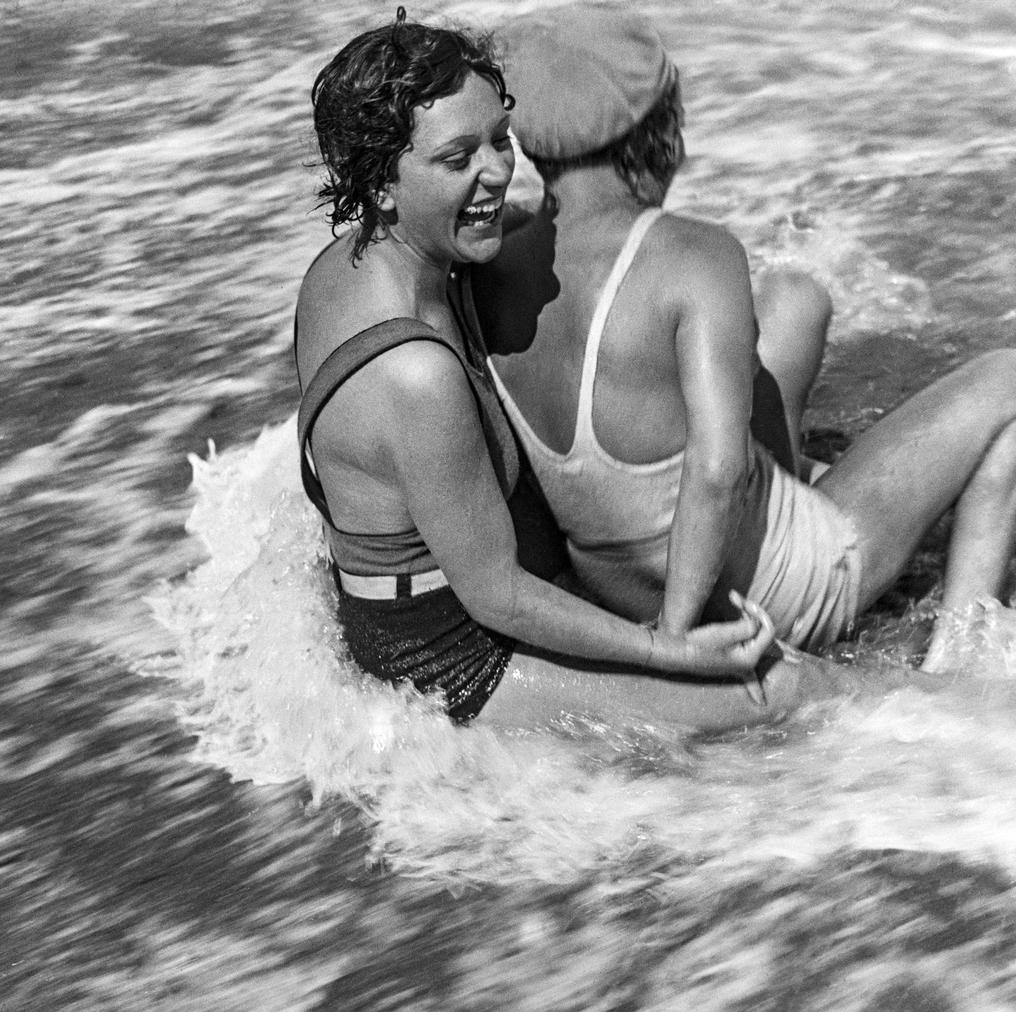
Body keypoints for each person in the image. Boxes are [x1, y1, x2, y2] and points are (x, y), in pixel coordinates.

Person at [293, 10, 854, 731]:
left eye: (501, 140)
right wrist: (665, 650)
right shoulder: (414, 376)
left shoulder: (341, 269)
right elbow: (497, 594)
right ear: (382, 186)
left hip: (393, 603)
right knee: (793, 690)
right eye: (457, 159)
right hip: (452, 663)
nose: (496, 172)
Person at [474, 3, 1016, 673]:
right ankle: (962, 662)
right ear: (658, 127)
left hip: (617, 583)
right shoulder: (696, 256)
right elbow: (717, 472)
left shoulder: (499, 262)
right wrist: (675, 642)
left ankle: (804, 484)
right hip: (771, 595)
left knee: (794, 303)